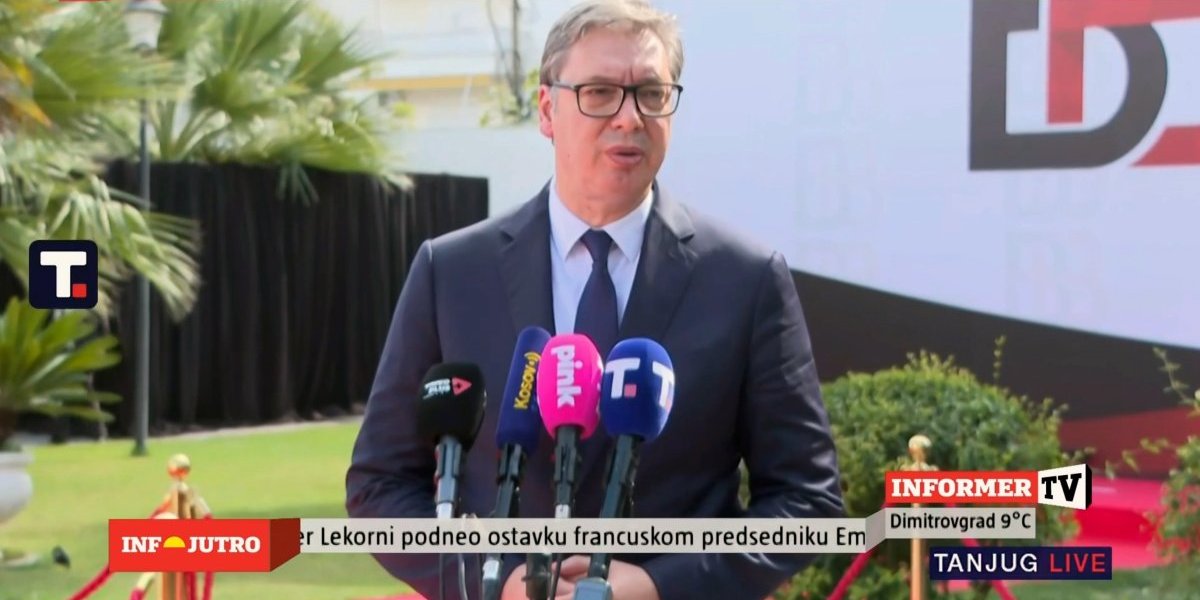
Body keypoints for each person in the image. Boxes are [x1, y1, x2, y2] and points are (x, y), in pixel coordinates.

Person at [345, 1, 844, 598]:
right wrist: (492, 580)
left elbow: (807, 502)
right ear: (547, 110)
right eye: (600, 93)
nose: (629, 118)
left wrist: (659, 585)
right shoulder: (450, 272)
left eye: (651, 94)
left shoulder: (745, 279)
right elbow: (380, 486)